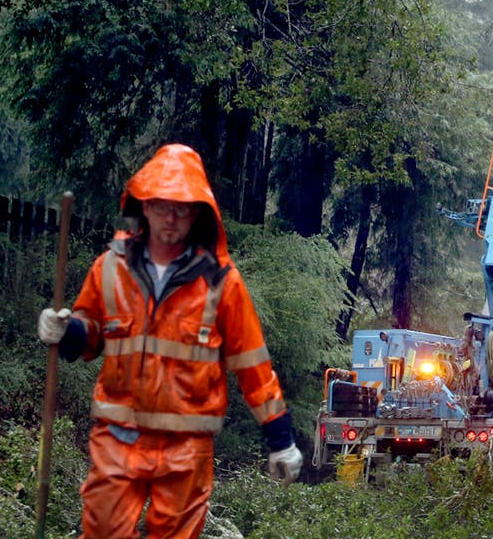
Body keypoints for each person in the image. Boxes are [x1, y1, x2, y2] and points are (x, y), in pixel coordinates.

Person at [37, 143, 303, 539]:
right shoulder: (110, 267)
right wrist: (67, 330)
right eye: (162, 205)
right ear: (144, 205)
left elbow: (253, 365)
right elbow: (91, 329)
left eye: (182, 207)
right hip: (118, 437)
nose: (171, 217)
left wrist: (280, 438)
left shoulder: (220, 282)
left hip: (186, 448)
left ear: (198, 213)